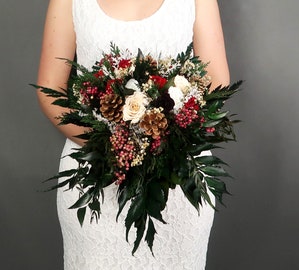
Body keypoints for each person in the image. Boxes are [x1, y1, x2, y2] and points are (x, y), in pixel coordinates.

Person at [36, 0, 230, 269]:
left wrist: (164, 137)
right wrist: (110, 145)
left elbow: (216, 82)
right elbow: (49, 90)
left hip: (174, 179)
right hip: (97, 176)